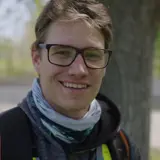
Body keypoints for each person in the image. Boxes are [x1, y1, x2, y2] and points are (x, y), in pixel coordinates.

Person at [0, 0, 141, 159]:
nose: (78, 70)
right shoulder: (4, 139)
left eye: (92, 55)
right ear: (37, 58)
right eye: (62, 53)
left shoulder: (122, 147)